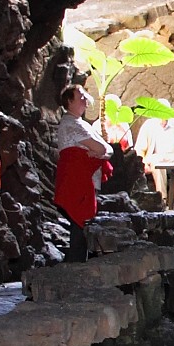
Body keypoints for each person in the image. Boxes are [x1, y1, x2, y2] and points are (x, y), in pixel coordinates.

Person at [52, 85, 112, 261]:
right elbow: (101, 148)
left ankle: (78, 267)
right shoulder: (71, 125)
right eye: (81, 97)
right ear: (69, 102)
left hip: (83, 182)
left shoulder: (81, 124)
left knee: (81, 231)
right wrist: (101, 152)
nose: (85, 100)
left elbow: (106, 149)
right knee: (79, 230)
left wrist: (103, 152)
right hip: (76, 184)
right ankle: (77, 271)